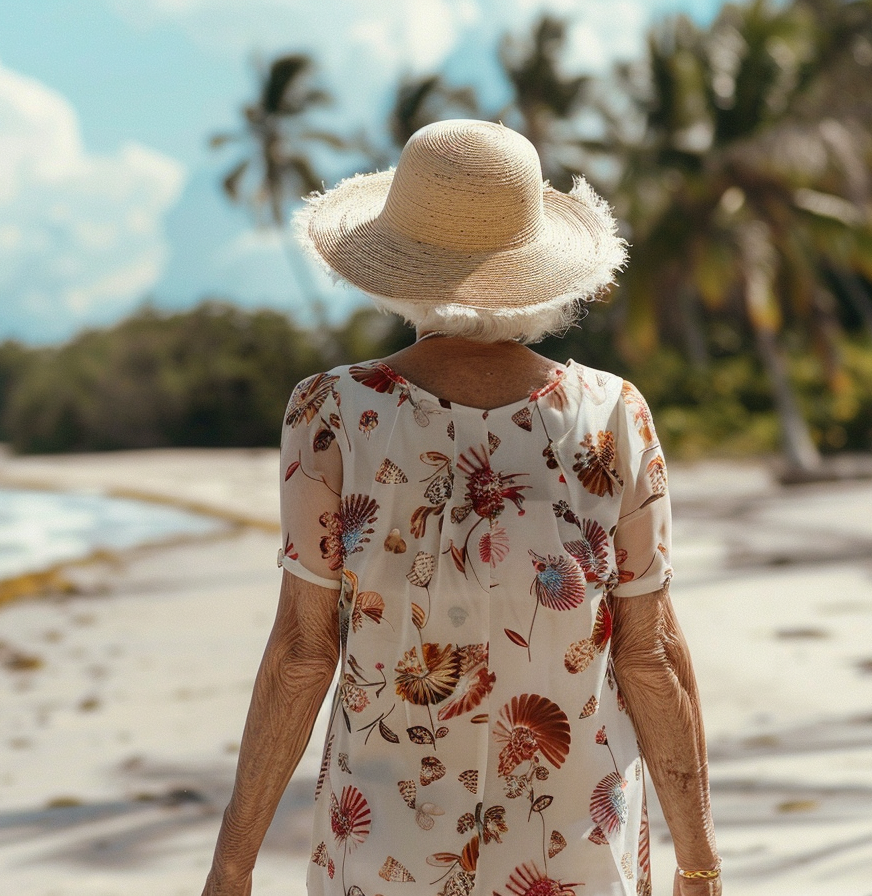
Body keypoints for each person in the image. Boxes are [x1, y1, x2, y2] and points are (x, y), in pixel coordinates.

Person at [201, 120, 721, 896]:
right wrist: (700, 861)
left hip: (387, 851)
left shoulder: (333, 412)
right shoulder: (613, 412)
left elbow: (303, 654)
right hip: (573, 851)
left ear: (397, 263)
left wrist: (233, 865)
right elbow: (649, 656)